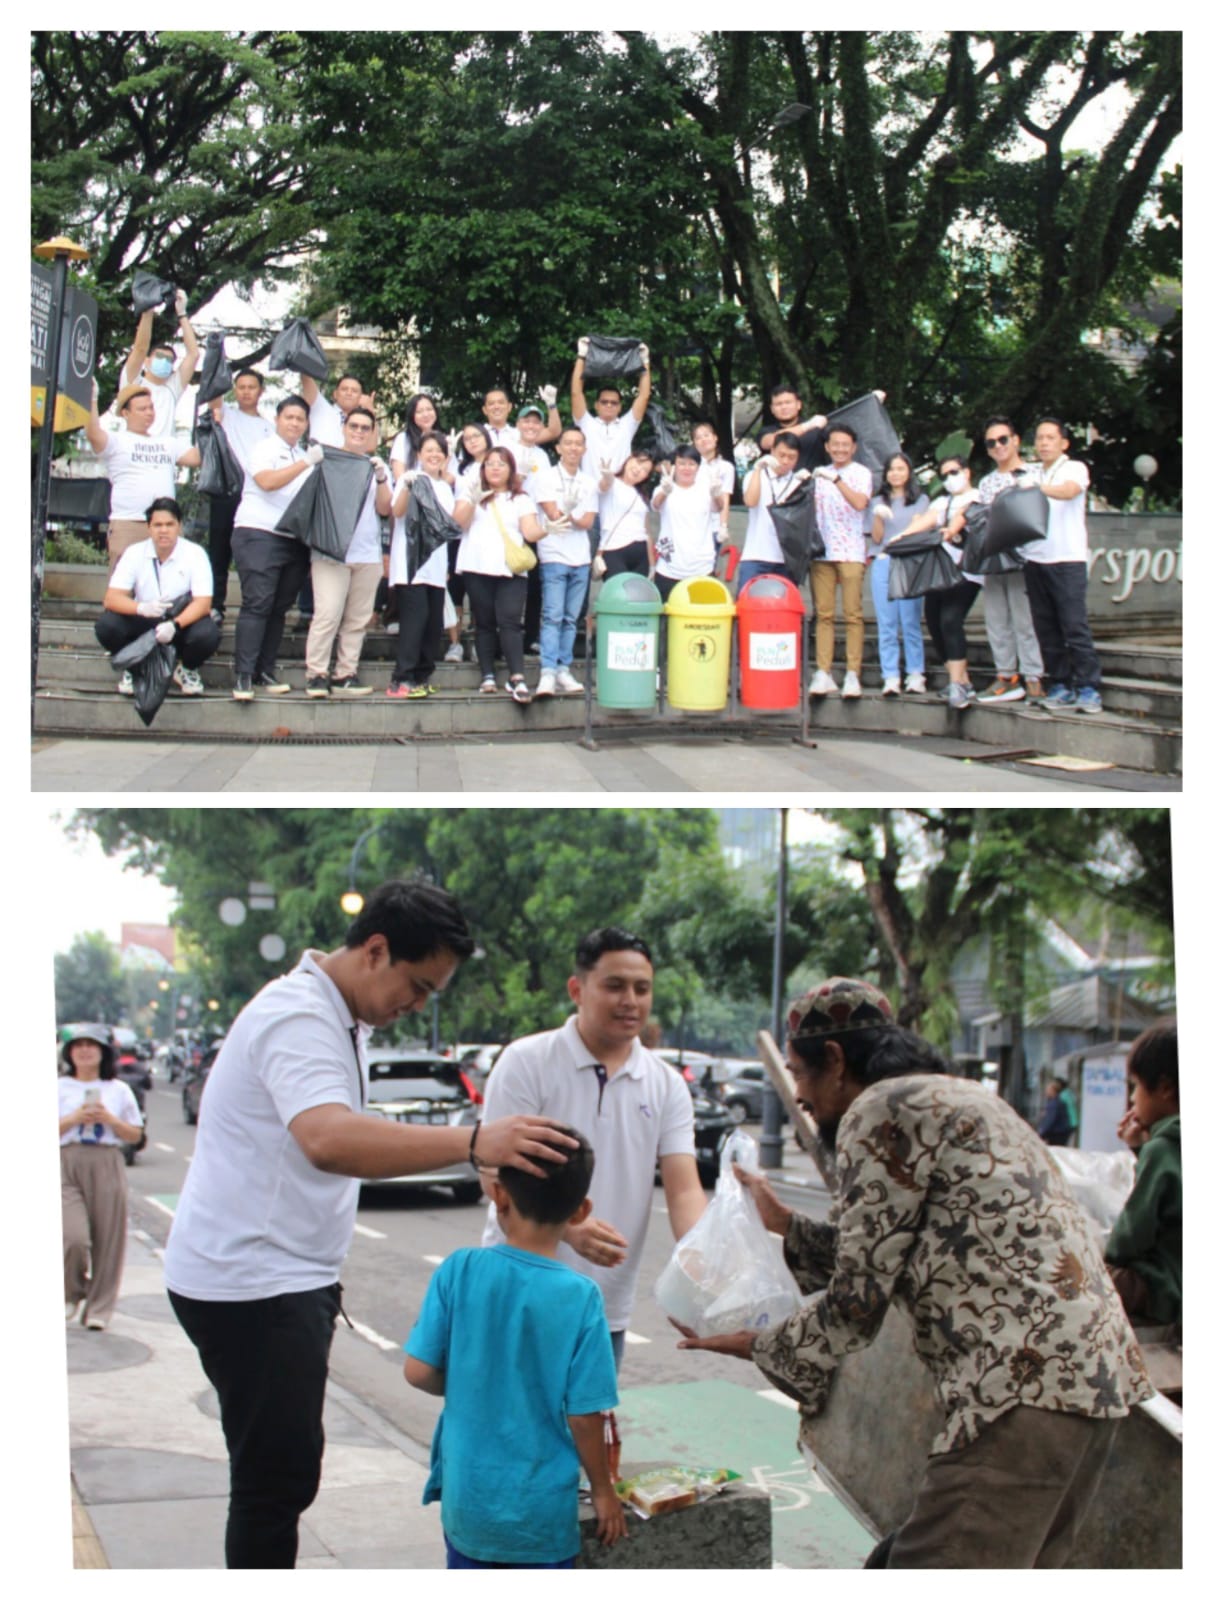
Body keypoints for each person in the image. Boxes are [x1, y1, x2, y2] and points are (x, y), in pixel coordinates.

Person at [163, 878, 579, 1569]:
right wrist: (472, 1141)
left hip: (274, 1276)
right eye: (416, 986)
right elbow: (328, 1140)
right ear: (376, 949)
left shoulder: (336, 1013)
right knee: (276, 1482)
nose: (415, 1006)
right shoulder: (298, 1016)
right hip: (254, 1282)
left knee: (279, 1474)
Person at [673, 976, 1152, 1569]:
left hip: (1019, 1390)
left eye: (799, 1073)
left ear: (838, 1061)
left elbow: (857, 1301)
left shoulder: (878, 1110)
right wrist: (785, 1225)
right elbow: (890, 1253)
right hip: (1095, 1381)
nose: (798, 1095)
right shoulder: (959, 1097)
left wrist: (763, 1346)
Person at [480, 928, 707, 1366]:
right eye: (615, 986)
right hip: (516, 1291)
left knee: (587, 1431)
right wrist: (566, 1229)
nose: (631, 1001)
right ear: (576, 989)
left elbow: (683, 1189)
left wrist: (701, 1258)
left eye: (642, 989)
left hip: (602, 1308)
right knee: (505, 1429)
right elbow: (491, 1171)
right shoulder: (527, 1063)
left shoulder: (666, 1085)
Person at [405, 1126, 625, 1568]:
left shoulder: (460, 1269)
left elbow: (419, 1371)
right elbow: (584, 1415)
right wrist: (603, 1491)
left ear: (499, 1196)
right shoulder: (581, 1297)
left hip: (468, 1505)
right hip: (539, 1517)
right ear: (581, 1211)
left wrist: (472, 1382)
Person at [229, 395, 318, 700]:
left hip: (292, 539)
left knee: (279, 608)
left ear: (306, 425)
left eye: (300, 419)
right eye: (289, 417)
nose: (294, 423)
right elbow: (266, 482)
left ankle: (264, 670)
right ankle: (243, 675)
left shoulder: (305, 454)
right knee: (258, 603)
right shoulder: (265, 447)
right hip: (258, 533)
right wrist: (306, 463)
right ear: (278, 419)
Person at [60, 1023, 145, 1333]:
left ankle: (100, 1307)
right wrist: (74, 1118)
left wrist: (109, 1119)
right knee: (73, 1238)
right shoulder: (59, 1087)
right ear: (69, 1053)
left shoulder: (118, 1090)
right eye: (78, 1045)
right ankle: (72, 1291)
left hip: (106, 1161)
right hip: (66, 1161)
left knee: (109, 1240)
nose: (84, 1050)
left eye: (91, 1045)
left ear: (103, 1053)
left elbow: (135, 1135)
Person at [303, 406, 392, 699]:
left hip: (367, 553)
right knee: (327, 614)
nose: (358, 432)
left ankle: (345, 673)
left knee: (357, 619)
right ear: (344, 428)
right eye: (354, 426)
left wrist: (380, 478)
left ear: (372, 433)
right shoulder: (327, 459)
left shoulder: (376, 465)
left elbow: (385, 509)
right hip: (331, 551)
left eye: (365, 428)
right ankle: (316, 673)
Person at [95, 496, 221, 697]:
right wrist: (140, 608)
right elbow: (111, 598)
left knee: (208, 633)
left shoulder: (195, 554)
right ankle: (134, 666)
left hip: (179, 622)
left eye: (170, 524)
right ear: (148, 528)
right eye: (158, 525)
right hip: (145, 620)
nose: (164, 530)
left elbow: (203, 603)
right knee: (107, 625)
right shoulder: (134, 553)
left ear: (179, 526)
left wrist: (175, 625)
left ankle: (186, 669)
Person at [452, 446, 546, 702]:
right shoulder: (472, 493)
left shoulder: (521, 498)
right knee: (484, 623)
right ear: (482, 469)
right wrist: (473, 499)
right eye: (490, 463)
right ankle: (487, 675)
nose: (495, 467)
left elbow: (530, 532)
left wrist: (550, 527)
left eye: (501, 464)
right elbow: (457, 524)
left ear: (511, 470)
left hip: (510, 569)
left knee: (511, 622)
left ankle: (517, 676)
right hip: (476, 566)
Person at [1105, 1018, 1181, 1327]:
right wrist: (1140, 1148)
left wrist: (1108, 1254)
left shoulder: (1161, 1149)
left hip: (1165, 1288)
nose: (1133, 1098)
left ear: (1164, 1088)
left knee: (1083, 1273)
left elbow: (1130, 1237)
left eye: (1135, 1086)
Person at [1025, 417, 1104, 714]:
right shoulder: (1032, 472)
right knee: (1046, 628)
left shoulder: (1074, 468)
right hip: (1035, 559)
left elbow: (1070, 491)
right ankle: (1059, 683)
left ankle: (1088, 687)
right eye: (1040, 438)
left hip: (1067, 559)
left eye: (1050, 438)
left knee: (1074, 625)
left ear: (1064, 443)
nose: (1044, 443)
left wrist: (1038, 487)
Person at [893, 454, 982, 710]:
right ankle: (962, 681)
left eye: (954, 472)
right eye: (944, 475)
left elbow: (962, 517)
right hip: (941, 571)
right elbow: (927, 519)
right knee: (934, 621)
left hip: (968, 572)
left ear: (966, 472)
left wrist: (951, 530)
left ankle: (956, 684)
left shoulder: (976, 497)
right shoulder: (942, 501)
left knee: (951, 619)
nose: (950, 479)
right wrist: (902, 536)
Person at [85, 382, 201, 574]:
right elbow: (94, 435)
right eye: (142, 409)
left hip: (165, 524)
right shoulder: (117, 440)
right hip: (129, 523)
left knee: (169, 580)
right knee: (123, 584)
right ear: (126, 413)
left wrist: (214, 423)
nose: (149, 412)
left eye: (151, 407)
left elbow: (198, 457)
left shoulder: (167, 442)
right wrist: (92, 400)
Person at [974, 416, 1046, 705]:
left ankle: (1033, 677)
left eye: (1003, 439)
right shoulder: (988, 482)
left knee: (1024, 618)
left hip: (1025, 557)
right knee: (996, 618)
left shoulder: (1034, 474)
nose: (998, 446)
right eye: (991, 443)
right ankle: (1005, 675)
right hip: (994, 557)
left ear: (1015, 440)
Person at [387, 429, 457, 698]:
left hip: (436, 570)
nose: (434, 455)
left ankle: (421, 676)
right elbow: (397, 511)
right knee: (414, 624)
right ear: (418, 455)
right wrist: (405, 485)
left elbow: (448, 527)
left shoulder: (445, 487)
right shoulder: (411, 479)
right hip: (411, 569)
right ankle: (401, 679)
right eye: (428, 450)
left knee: (432, 626)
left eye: (439, 451)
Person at [808, 422, 873, 698]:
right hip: (822, 552)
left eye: (845, 444)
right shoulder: (817, 474)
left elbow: (860, 503)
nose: (840, 449)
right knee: (823, 614)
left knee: (853, 615)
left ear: (854, 447)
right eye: (835, 444)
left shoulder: (861, 473)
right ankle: (823, 672)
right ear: (827, 446)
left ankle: (852, 674)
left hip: (851, 551)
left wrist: (836, 480)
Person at [534, 426, 598, 696]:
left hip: (580, 557)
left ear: (584, 449)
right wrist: (569, 514)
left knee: (572, 618)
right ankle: (547, 670)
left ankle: (564, 668)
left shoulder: (589, 482)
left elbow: (587, 522)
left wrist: (570, 514)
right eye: (568, 443)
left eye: (578, 444)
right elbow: (551, 512)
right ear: (558, 447)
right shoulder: (546, 477)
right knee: (553, 615)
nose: (573, 448)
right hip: (553, 554)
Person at [207, 368, 274, 621]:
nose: (246, 392)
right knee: (219, 551)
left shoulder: (270, 427)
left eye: (251, 387)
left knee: (253, 555)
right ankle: (215, 606)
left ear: (261, 391)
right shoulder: (227, 415)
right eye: (241, 387)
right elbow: (214, 397)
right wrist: (217, 355)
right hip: (227, 491)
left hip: (256, 497)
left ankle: (254, 608)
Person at [868, 452, 930, 696]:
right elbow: (875, 537)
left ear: (909, 472)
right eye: (891, 469)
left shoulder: (921, 500)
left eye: (900, 469)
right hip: (884, 560)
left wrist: (900, 538)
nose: (895, 474)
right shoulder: (878, 501)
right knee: (887, 622)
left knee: (911, 620)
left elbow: (918, 529)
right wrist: (879, 516)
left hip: (910, 562)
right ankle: (890, 675)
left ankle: (916, 673)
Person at [570, 339, 652, 494]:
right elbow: (576, 393)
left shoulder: (627, 425)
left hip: (620, 494)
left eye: (614, 403)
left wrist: (645, 362)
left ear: (620, 407)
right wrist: (581, 356)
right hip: (589, 495)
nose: (609, 405)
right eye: (604, 402)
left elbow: (644, 396)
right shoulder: (586, 423)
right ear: (596, 405)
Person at [119, 289, 200, 437]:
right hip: (134, 453)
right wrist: (148, 310)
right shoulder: (134, 383)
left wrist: (182, 314)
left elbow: (193, 354)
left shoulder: (172, 387)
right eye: (160, 357)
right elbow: (140, 348)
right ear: (147, 361)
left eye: (169, 360)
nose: (164, 362)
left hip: (163, 457)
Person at [651, 445, 727, 602]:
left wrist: (717, 494)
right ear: (674, 466)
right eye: (682, 463)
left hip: (701, 567)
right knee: (667, 619)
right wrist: (665, 491)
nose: (687, 468)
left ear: (698, 467)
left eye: (692, 464)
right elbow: (656, 504)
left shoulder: (705, 489)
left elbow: (718, 507)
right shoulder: (664, 488)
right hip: (669, 567)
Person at [738, 431, 806, 590]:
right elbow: (750, 501)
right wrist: (757, 470)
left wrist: (806, 486)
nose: (785, 461)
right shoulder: (755, 475)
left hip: (787, 558)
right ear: (772, 451)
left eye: (791, 457)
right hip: (756, 554)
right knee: (747, 601)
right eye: (781, 455)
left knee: (783, 608)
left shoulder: (798, 481)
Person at [595, 451, 654, 578]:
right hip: (614, 549)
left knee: (638, 595)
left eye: (645, 470)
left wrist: (652, 565)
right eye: (638, 463)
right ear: (629, 459)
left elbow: (647, 532)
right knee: (618, 594)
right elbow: (603, 486)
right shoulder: (613, 484)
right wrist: (607, 476)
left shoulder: (641, 495)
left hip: (641, 551)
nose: (638, 470)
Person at [756, 383, 829, 467]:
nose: (784, 407)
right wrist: (808, 425)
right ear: (772, 409)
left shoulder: (818, 429)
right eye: (778, 404)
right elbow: (768, 442)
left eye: (788, 402)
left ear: (799, 405)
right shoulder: (766, 431)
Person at [692, 421, 736, 556]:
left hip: (714, 527)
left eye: (706, 435)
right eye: (698, 438)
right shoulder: (691, 465)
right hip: (693, 526)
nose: (703, 440)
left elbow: (725, 498)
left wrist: (723, 526)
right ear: (694, 443)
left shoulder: (726, 467)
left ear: (715, 437)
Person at [481, 385, 561, 450]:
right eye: (491, 404)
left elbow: (553, 432)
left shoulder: (520, 434)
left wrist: (551, 404)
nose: (496, 406)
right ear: (484, 410)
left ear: (509, 407)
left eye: (501, 403)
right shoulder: (477, 434)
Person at [1036, 1078, 1074, 1146]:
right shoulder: (1058, 1101)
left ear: (1053, 1091)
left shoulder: (1055, 1104)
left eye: (1048, 1089)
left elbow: (1050, 1121)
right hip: (1063, 1131)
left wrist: (1041, 1133)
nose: (1046, 1091)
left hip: (1057, 1133)